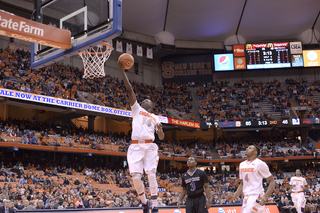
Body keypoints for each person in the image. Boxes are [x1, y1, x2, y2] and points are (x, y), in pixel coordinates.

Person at [118, 62, 165, 213]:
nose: (144, 100)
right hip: (136, 146)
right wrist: (122, 71)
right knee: (136, 177)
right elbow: (129, 90)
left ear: (151, 105)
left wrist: (160, 130)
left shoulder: (155, 117)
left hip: (150, 146)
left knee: (151, 174)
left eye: (147, 101)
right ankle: (144, 202)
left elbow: (162, 138)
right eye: (143, 100)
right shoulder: (137, 109)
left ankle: (155, 205)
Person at [228, 145, 275, 213]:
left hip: (256, 195)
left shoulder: (260, 164)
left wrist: (265, 196)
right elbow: (242, 183)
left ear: (255, 152)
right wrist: (234, 195)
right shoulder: (242, 164)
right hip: (246, 196)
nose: (247, 149)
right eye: (247, 147)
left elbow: (272, 181)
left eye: (250, 148)